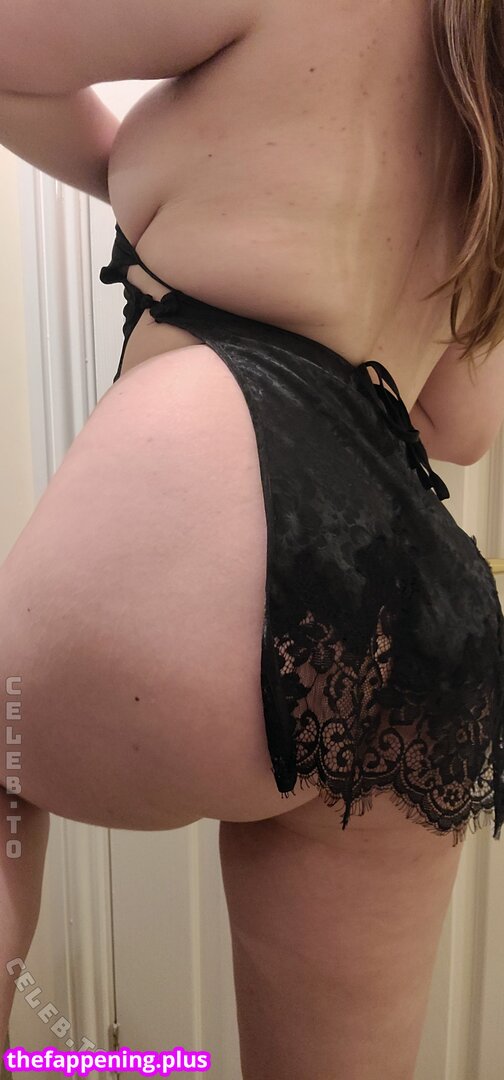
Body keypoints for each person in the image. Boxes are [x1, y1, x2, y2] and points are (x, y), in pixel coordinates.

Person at [0, 2, 503, 1077]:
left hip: (214, 486)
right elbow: (464, 423)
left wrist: (149, 175)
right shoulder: (489, 92)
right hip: (420, 606)